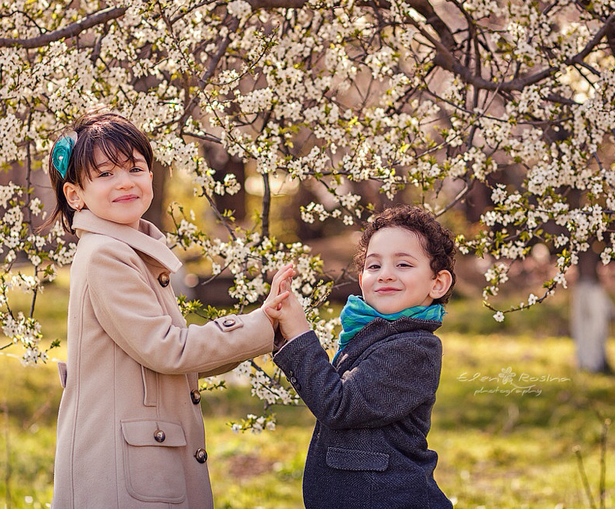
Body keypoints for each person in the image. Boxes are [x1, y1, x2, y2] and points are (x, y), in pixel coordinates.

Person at [47, 108, 293, 509]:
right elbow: (168, 349)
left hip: (136, 465)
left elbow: (174, 359)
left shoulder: (129, 250)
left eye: (135, 168)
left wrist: (262, 331)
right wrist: (263, 323)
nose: (125, 182)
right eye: (105, 174)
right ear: (75, 195)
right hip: (121, 476)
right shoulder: (106, 255)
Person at [267, 205, 454, 508]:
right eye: (374, 265)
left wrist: (300, 333)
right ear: (361, 277)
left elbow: (339, 404)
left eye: (403, 264)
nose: (386, 275)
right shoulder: (370, 332)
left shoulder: (414, 349)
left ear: (438, 283)